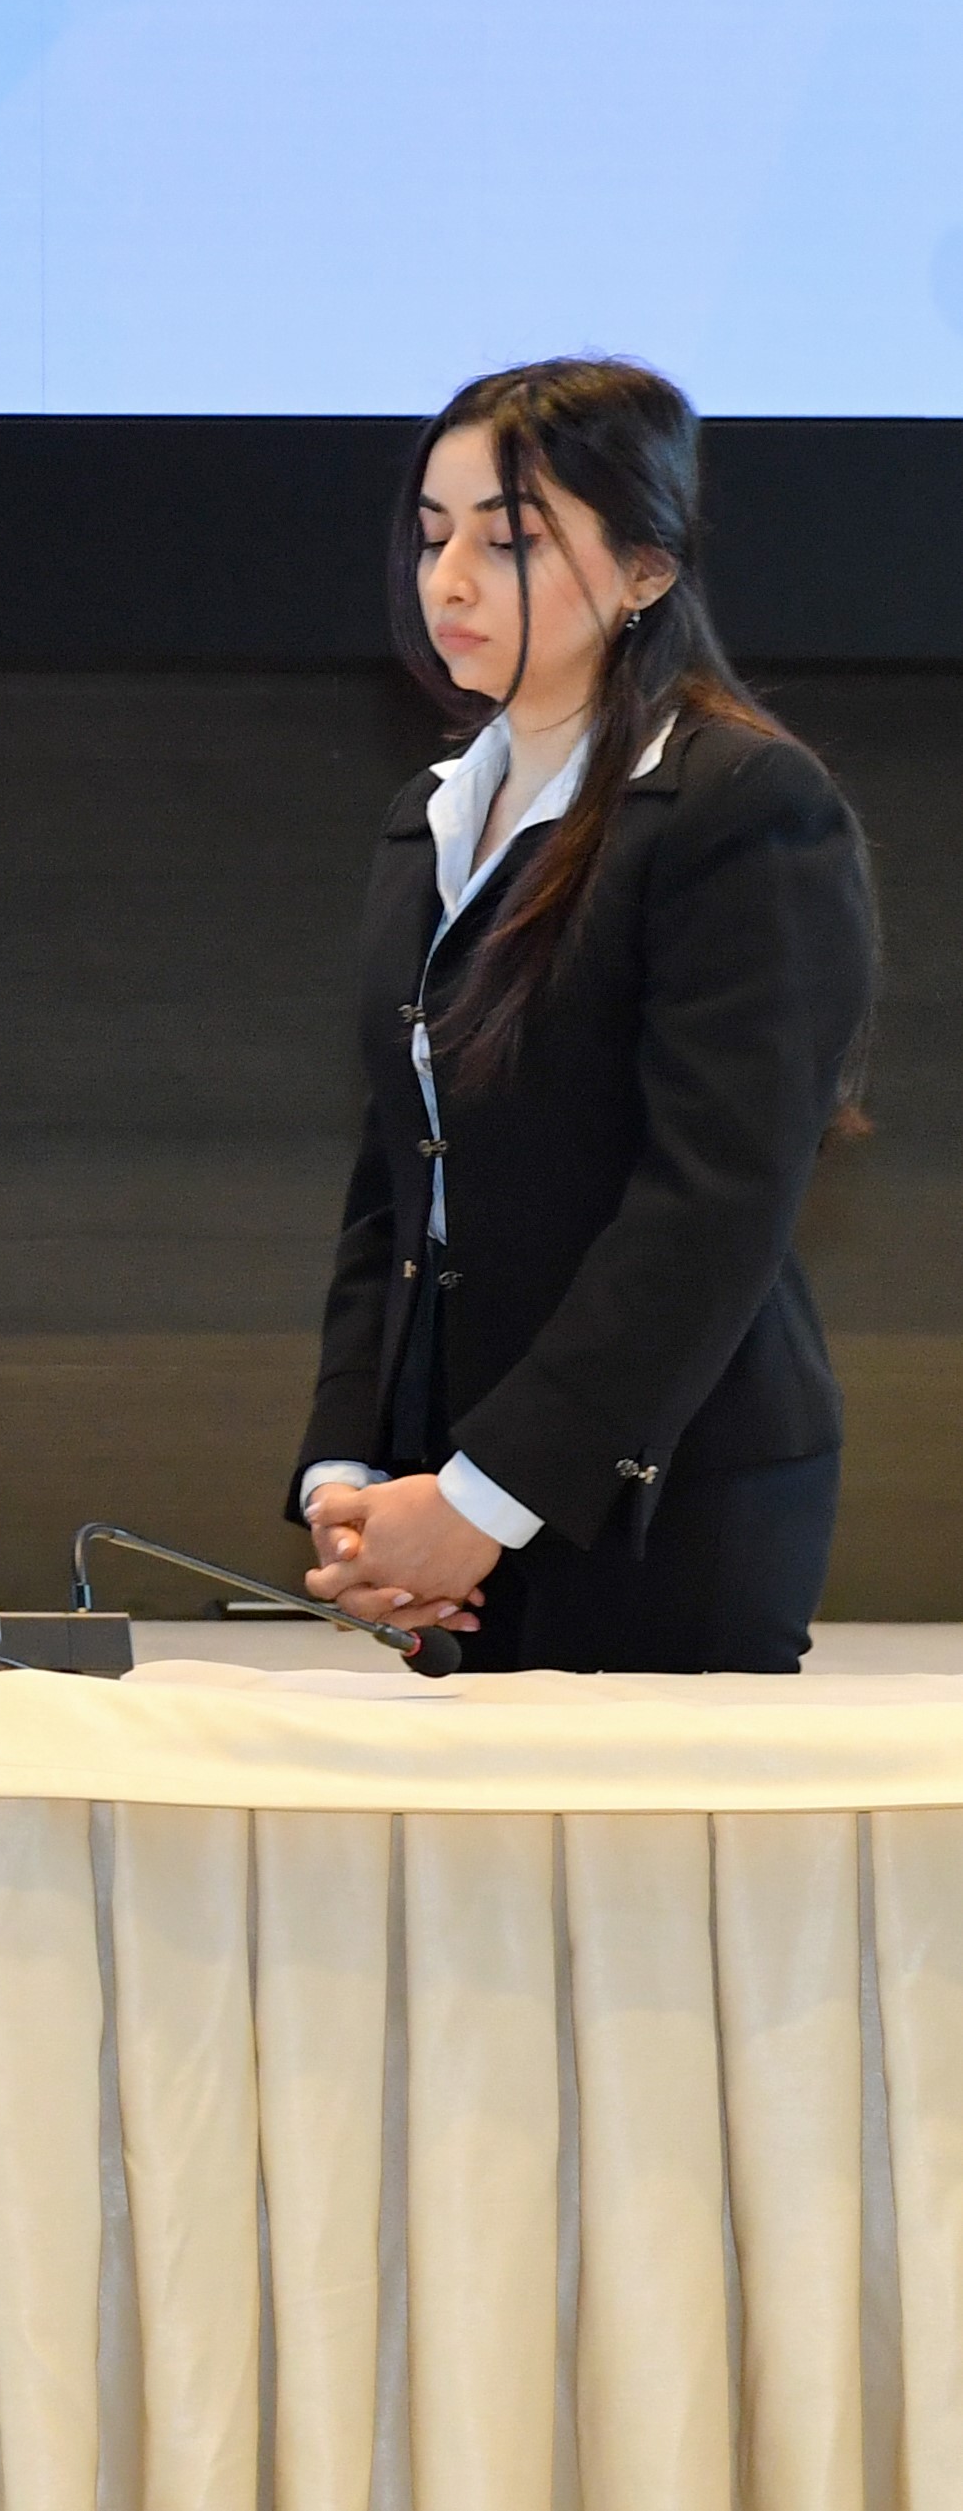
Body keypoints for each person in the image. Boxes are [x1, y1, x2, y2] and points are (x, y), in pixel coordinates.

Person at [293, 358, 873, 1673]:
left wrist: (483, 1498)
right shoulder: (430, 811)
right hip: (446, 1482)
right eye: (429, 535)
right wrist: (349, 1469)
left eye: (507, 541)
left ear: (645, 570)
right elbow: (397, 1179)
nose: (447, 581)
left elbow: (712, 1202)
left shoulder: (740, 803)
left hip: (659, 1499)